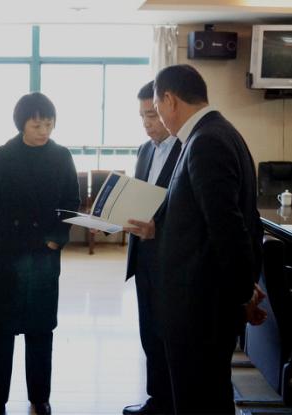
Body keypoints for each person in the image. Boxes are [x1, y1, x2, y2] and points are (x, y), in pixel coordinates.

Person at [124, 64, 266, 414]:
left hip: (199, 306)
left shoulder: (206, 142)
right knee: (208, 395)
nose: (157, 118)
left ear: (169, 100)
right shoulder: (220, 133)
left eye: (157, 108)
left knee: (199, 399)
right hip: (204, 302)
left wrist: (243, 293)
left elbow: (228, 228)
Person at [0, 92, 80, 415]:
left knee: (40, 330)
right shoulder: (3, 155)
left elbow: (72, 202)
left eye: (49, 124)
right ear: (21, 125)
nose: (43, 131)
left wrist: (57, 238)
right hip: (4, 253)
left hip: (43, 253)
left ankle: (39, 397)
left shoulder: (62, 156)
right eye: (36, 125)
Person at [123, 80, 181, 415]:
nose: (146, 123)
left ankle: (174, 402)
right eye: (142, 116)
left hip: (171, 258)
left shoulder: (187, 148)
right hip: (143, 256)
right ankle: (157, 399)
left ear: (167, 107)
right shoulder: (145, 150)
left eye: (151, 115)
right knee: (149, 334)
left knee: (170, 336)